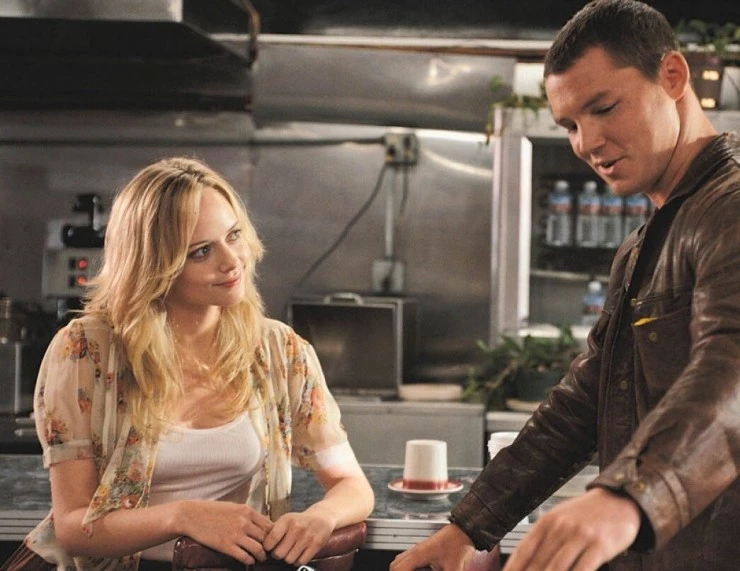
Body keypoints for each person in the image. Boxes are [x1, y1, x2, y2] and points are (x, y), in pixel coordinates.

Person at [391, 1, 739, 570]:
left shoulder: (730, 206)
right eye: (570, 126)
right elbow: (583, 403)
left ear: (673, 77)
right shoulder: (642, 245)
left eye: (603, 108)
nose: (587, 142)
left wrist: (628, 497)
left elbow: (733, 367)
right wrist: (469, 527)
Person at [5, 157, 374, 570]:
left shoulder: (280, 351)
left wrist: (323, 516)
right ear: (153, 265)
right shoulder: (85, 351)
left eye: (233, 235)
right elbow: (73, 528)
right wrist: (182, 516)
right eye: (201, 251)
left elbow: (352, 485)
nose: (232, 260)